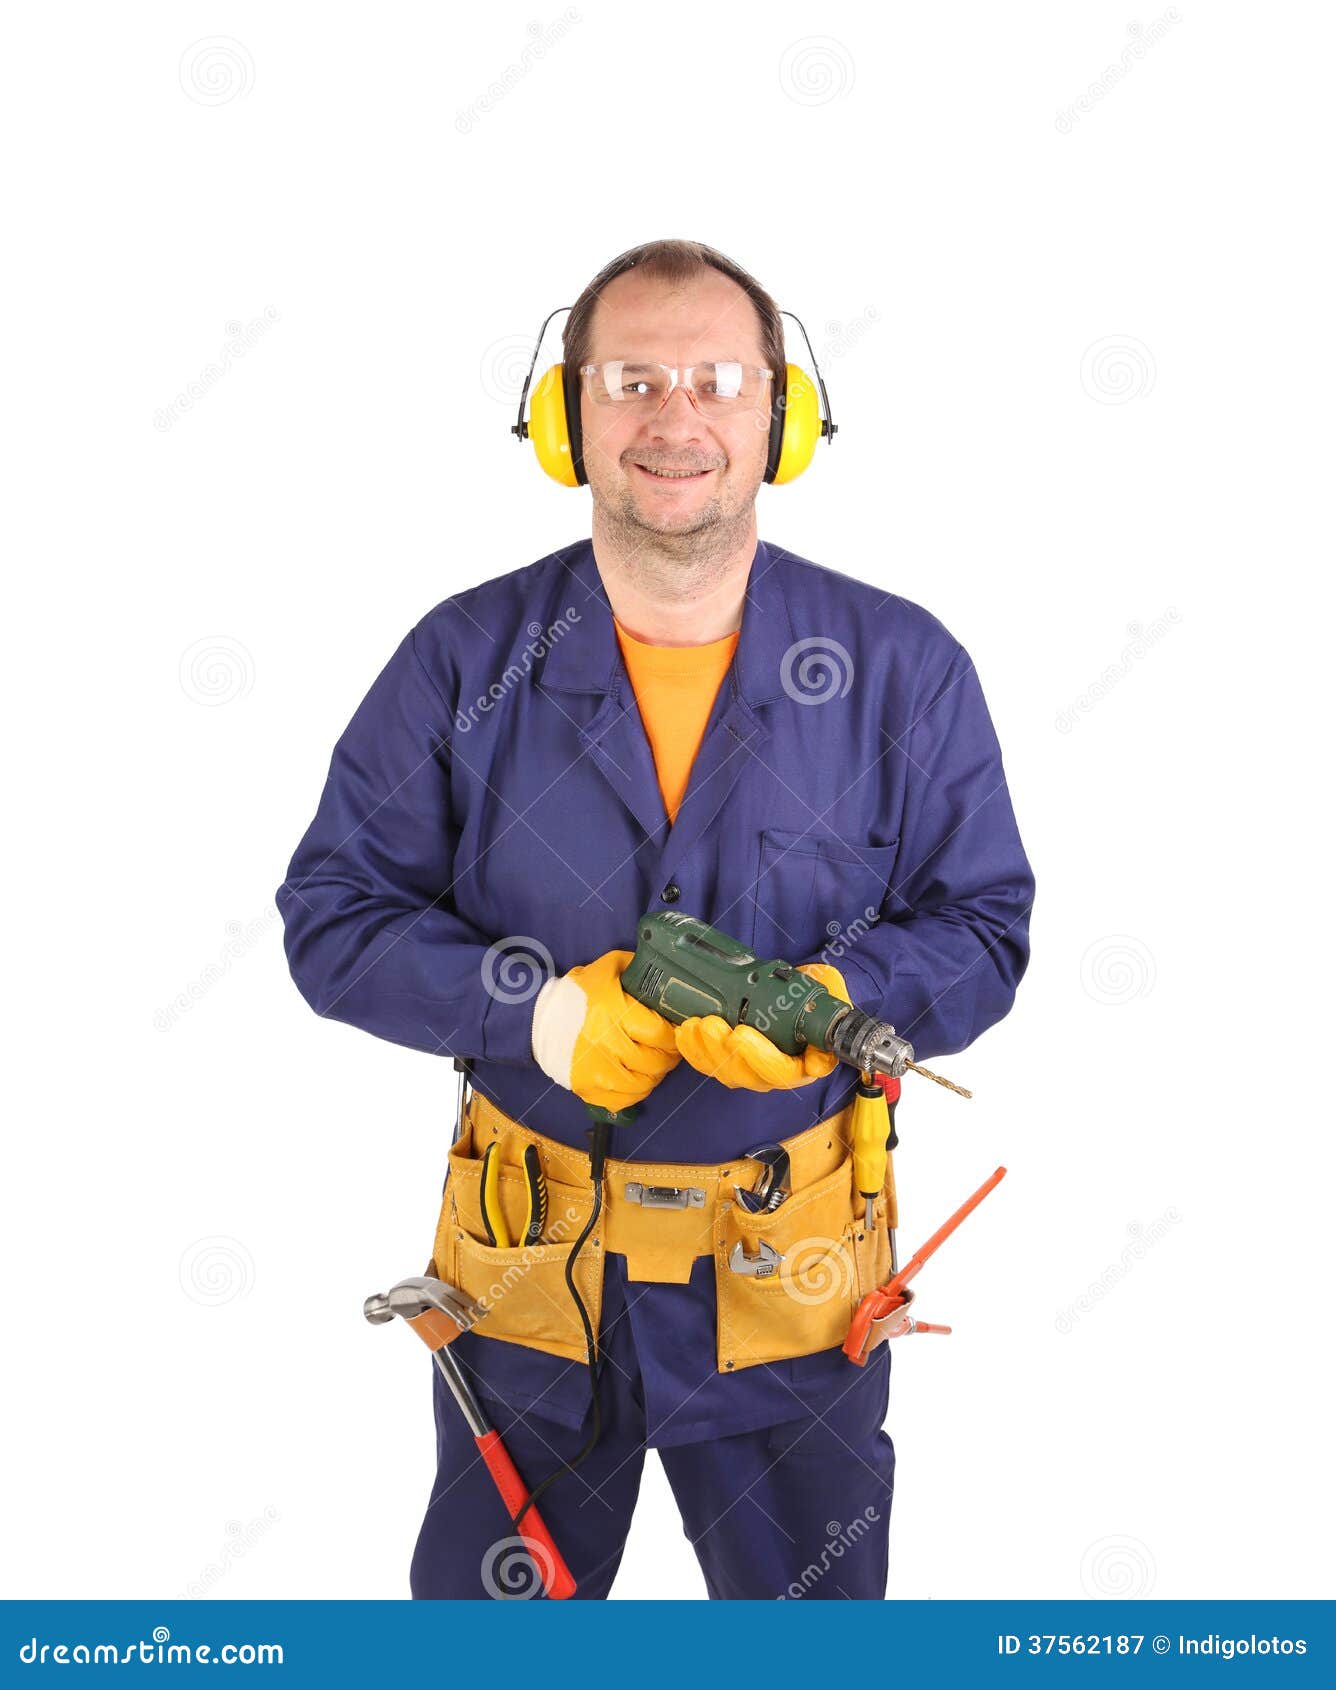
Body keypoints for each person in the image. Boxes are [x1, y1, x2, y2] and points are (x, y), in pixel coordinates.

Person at [276, 239, 1035, 1600]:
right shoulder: (461, 662)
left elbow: (983, 926)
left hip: (791, 1292)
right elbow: (331, 915)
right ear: (567, 418)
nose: (674, 418)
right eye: (630, 380)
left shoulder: (902, 669)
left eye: (717, 380)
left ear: (782, 416)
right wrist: (539, 1010)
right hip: (531, 1287)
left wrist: (840, 996)